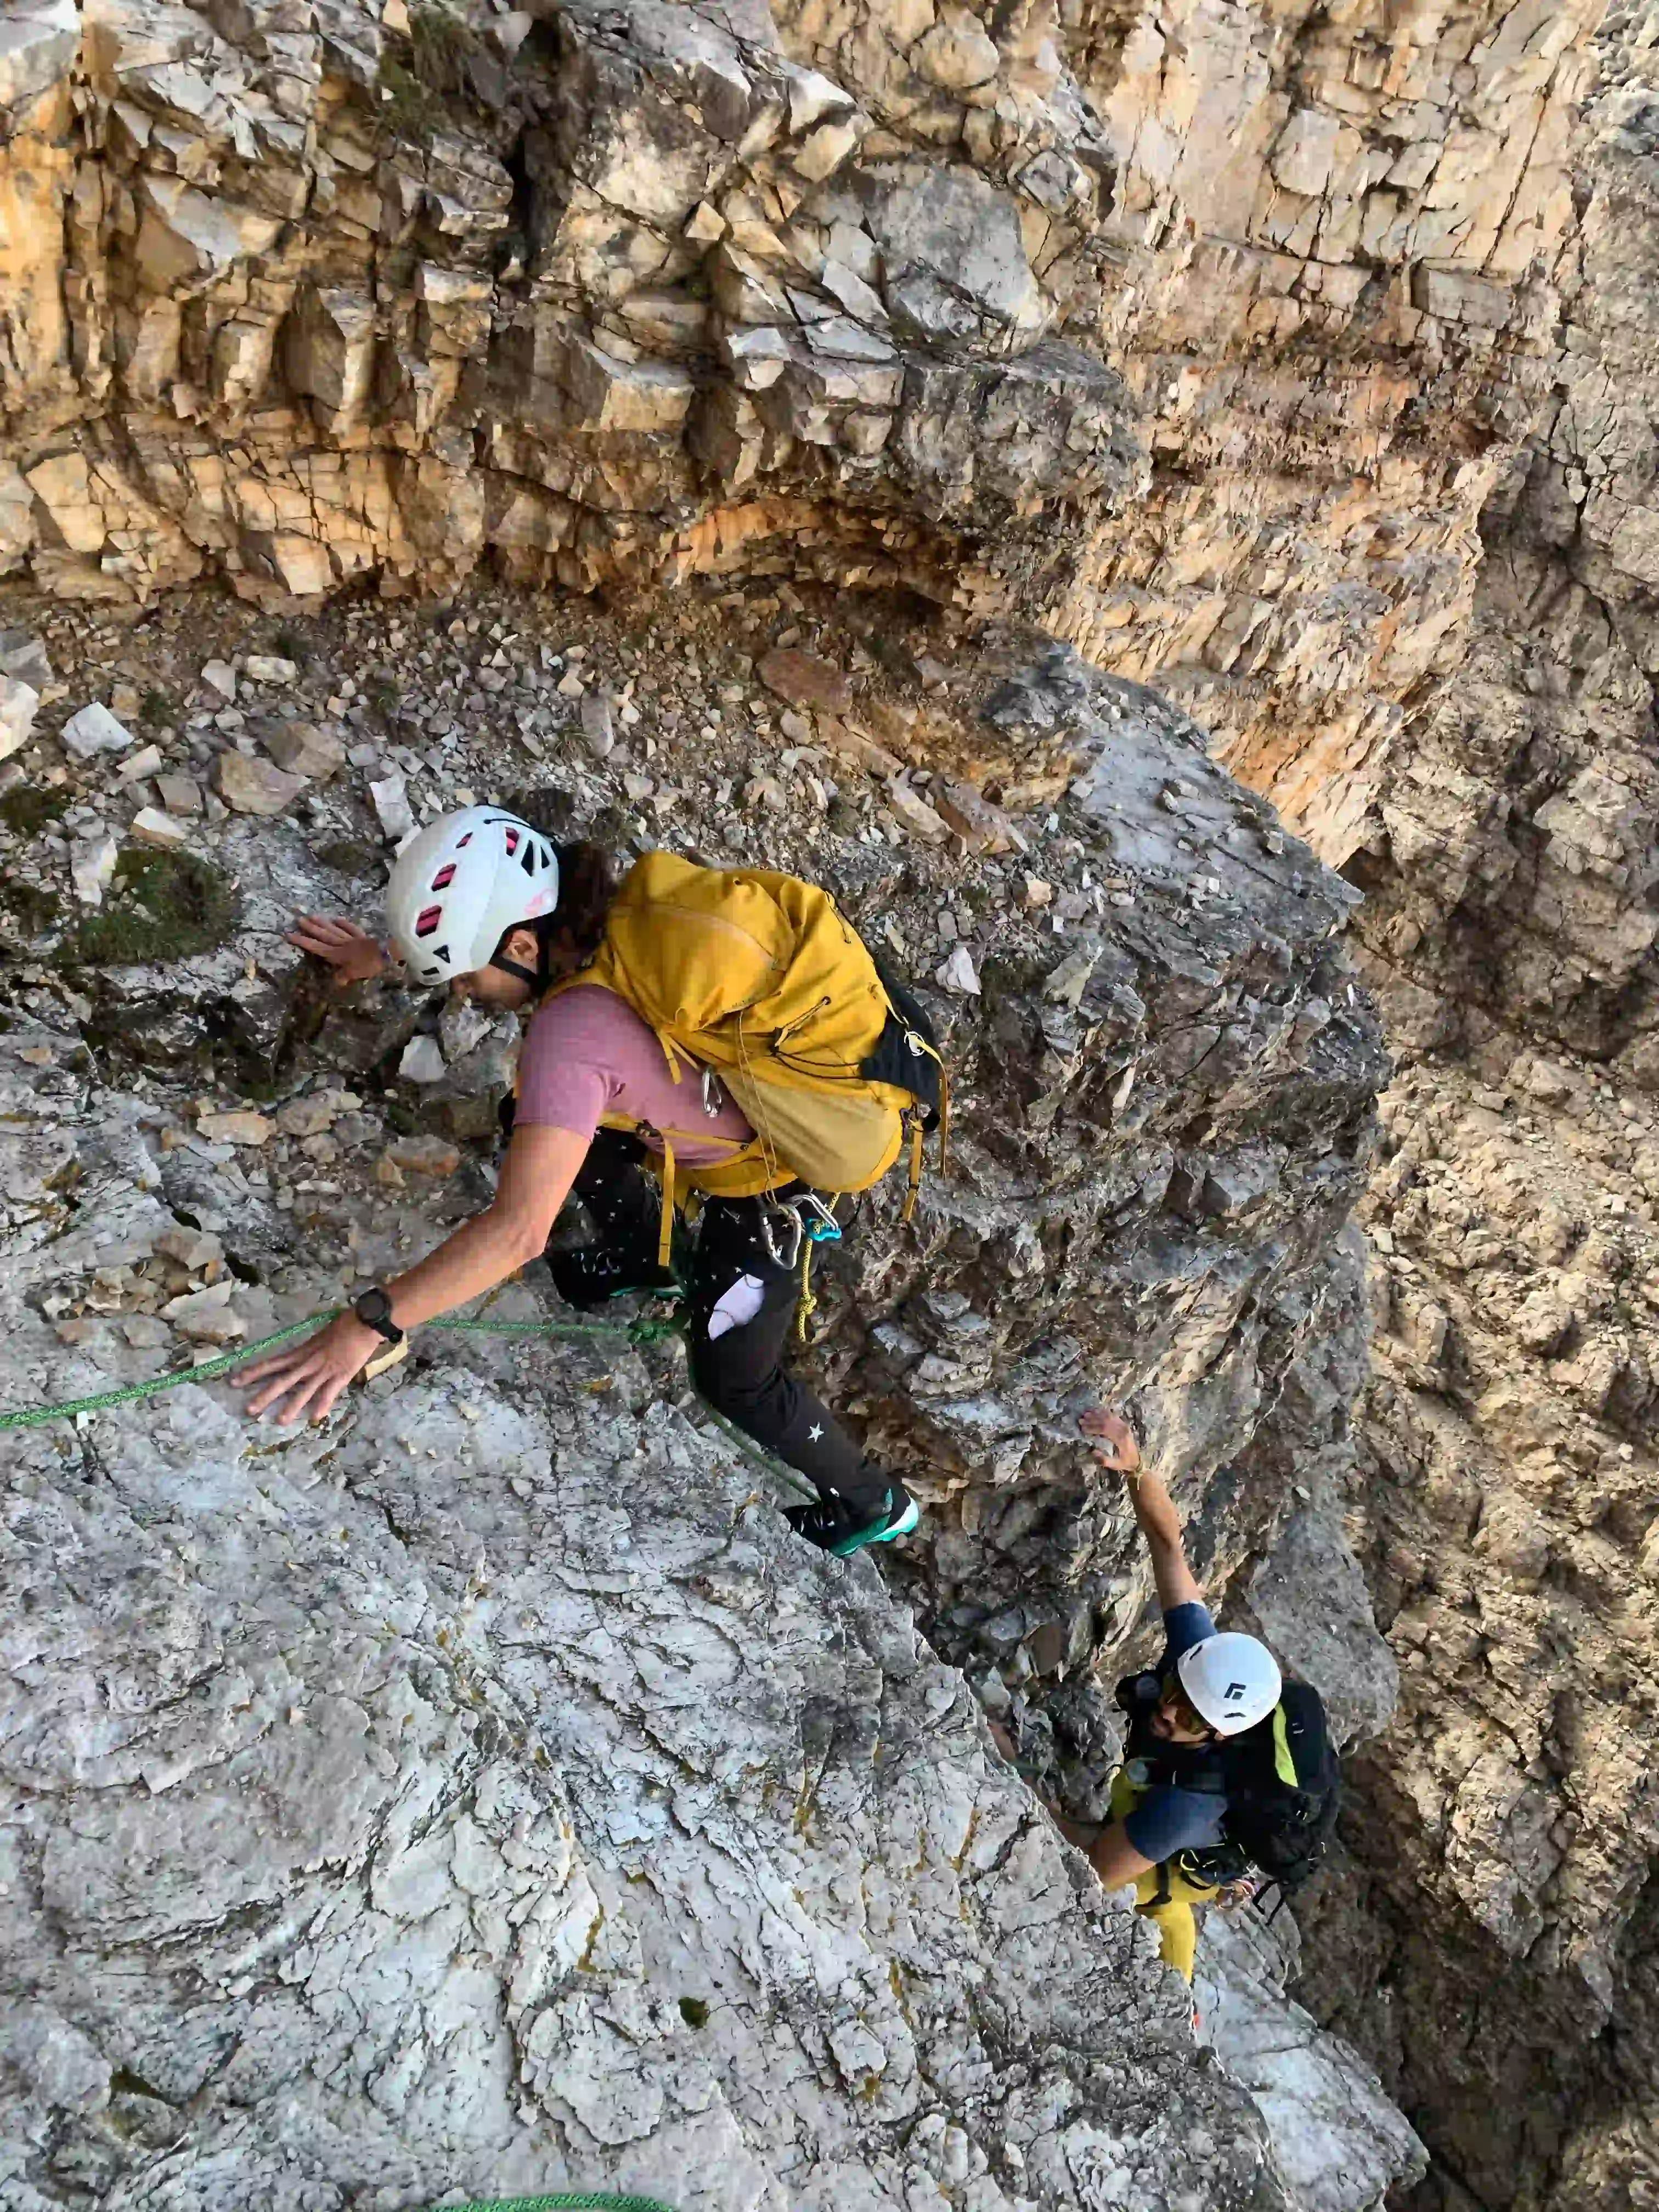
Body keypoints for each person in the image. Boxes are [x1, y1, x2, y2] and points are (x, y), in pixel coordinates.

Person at [237, 806, 922, 1558]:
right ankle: (645, 1258)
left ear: (524, 944)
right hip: (744, 1111)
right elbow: (496, 950)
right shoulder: (613, 923)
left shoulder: (569, 1038)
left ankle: (873, 1501)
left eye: (466, 975)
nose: (464, 992)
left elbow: (517, 1232)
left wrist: (366, 1325)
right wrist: (389, 955)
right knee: (532, 1117)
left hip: (767, 1184)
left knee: (735, 1377)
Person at [1047, 1407, 1283, 1983]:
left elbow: (1091, 1869)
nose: (1169, 1711)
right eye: (1177, 1690)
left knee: (1163, 1901)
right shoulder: (1200, 1662)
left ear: (1220, 1734)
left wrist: (1017, 1780)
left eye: (1191, 1718)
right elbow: (1168, 1547)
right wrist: (1137, 1469)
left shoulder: (1189, 1806)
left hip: (1186, 1859)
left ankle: (1180, 2003)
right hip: (1165, 1802)